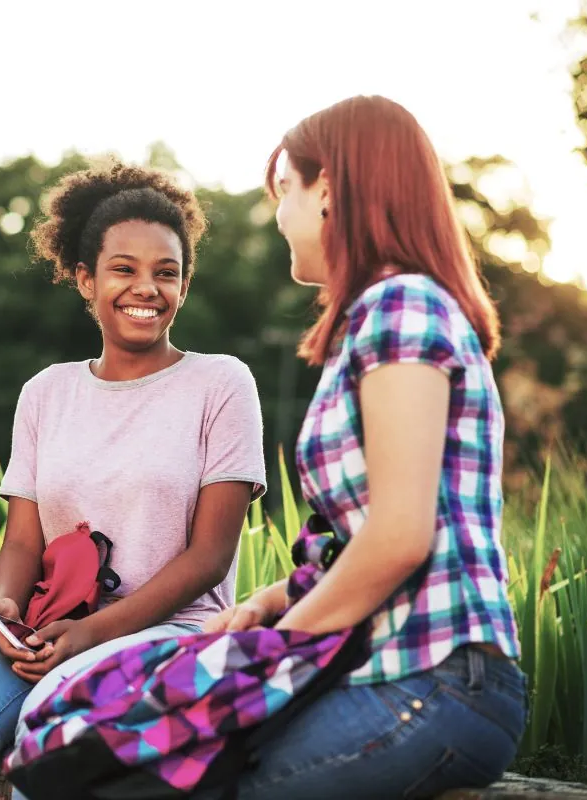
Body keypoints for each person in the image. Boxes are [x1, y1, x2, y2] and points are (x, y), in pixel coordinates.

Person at [0, 162, 267, 800]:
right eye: (124, 269)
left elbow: (209, 558)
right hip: (51, 625)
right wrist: (6, 609)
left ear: (185, 283)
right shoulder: (46, 393)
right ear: (86, 280)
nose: (145, 288)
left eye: (165, 272)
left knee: (51, 729)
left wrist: (91, 634)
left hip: (171, 632)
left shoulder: (222, 385)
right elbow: (22, 543)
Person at [205, 95, 525, 798]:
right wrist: (274, 598)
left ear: (330, 190)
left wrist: (266, 655)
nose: (279, 213)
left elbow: (399, 538)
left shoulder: (402, 306)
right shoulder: (383, 315)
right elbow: (370, 536)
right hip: (396, 671)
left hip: (435, 677)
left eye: (284, 189)